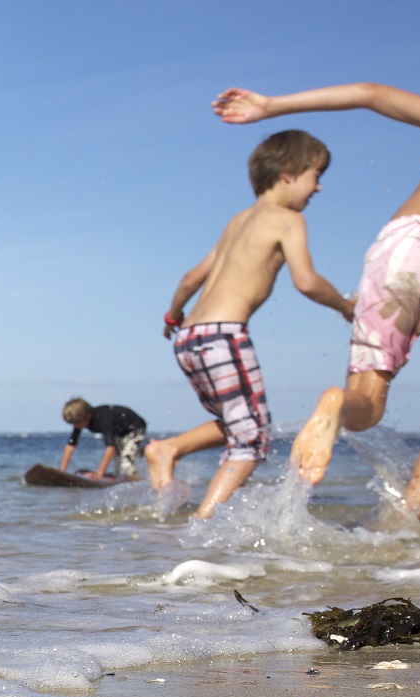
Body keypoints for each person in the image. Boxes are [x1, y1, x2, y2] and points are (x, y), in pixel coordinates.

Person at [215, 86, 420, 518]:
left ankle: (338, 405)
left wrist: (272, 106)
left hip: (398, 238)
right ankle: (406, 518)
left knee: (367, 397)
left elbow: (369, 94)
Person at [143, 129, 355, 517]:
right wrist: (345, 306)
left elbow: (192, 277)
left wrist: (172, 316)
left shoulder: (238, 220)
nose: (319, 189)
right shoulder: (288, 219)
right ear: (289, 173)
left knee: (236, 421)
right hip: (223, 336)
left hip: (188, 337)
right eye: (316, 176)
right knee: (252, 440)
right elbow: (306, 281)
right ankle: (205, 522)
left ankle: (168, 449)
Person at [57, 398, 147, 479]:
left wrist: (99, 473)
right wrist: (62, 472)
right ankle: (124, 473)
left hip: (135, 428)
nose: (75, 426)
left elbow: (110, 448)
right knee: (120, 460)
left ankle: (134, 479)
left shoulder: (104, 420)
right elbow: (71, 445)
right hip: (120, 431)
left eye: (76, 423)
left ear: (86, 416)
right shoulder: (81, 421)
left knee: (126, 460)